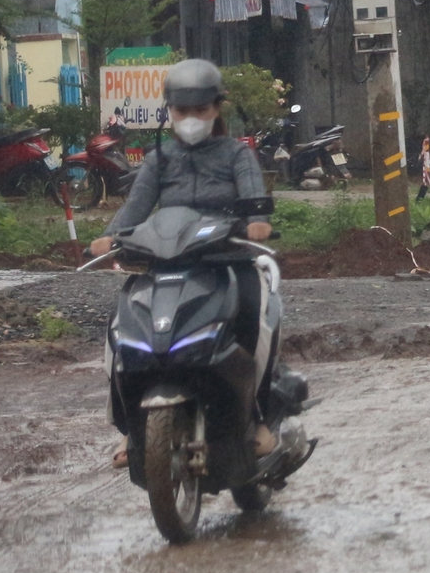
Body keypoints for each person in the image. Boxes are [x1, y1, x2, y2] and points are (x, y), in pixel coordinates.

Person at [90, 59, 294, 464]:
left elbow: (255, 197)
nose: (191, 119)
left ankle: (259, 420)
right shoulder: (158, 158)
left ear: (216, 109)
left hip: (227, 262)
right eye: (183, 112)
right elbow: (135, 207)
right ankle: (132, 431)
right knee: (120, 331)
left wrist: (257, 222)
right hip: (166, 264)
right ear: (170, 111)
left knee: (259, 318)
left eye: (201, 111)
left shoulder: (236, 154)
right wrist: (111, 237)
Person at [417, 135, 430, 200]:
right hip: (427, 156)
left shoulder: (426, 141)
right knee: (426, 170)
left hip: (426, 157)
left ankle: (426, 182)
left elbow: (425, 149)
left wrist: (421, 155)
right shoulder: (427, 141)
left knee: (426, 170)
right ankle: (426, 182)